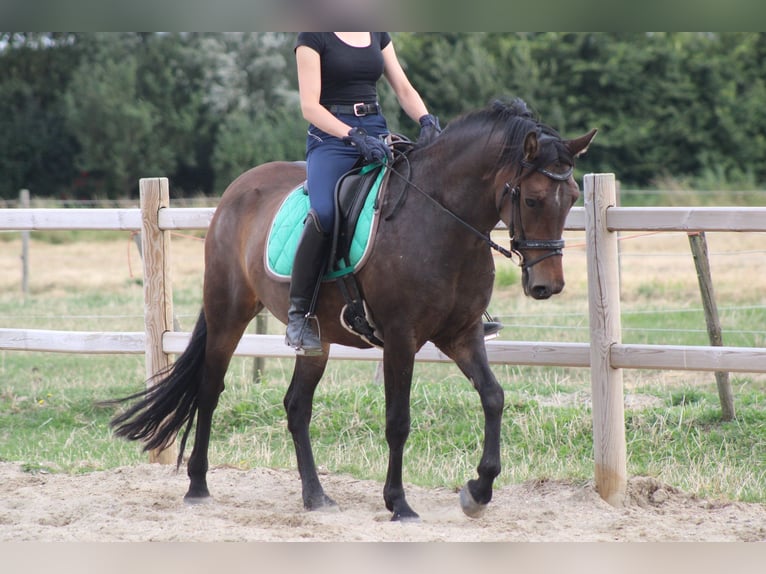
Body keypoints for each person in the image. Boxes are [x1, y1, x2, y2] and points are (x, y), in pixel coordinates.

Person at [287, 31, 441, 355]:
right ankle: (299, 314)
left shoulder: (375, 31)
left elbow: (402, 87)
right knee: (325, 214)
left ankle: (453, 311)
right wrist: (351, 135)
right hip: (331, 140)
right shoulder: (312, 36)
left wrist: (426, 120)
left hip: (377, 132)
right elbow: (309, 107)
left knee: (426, 196)